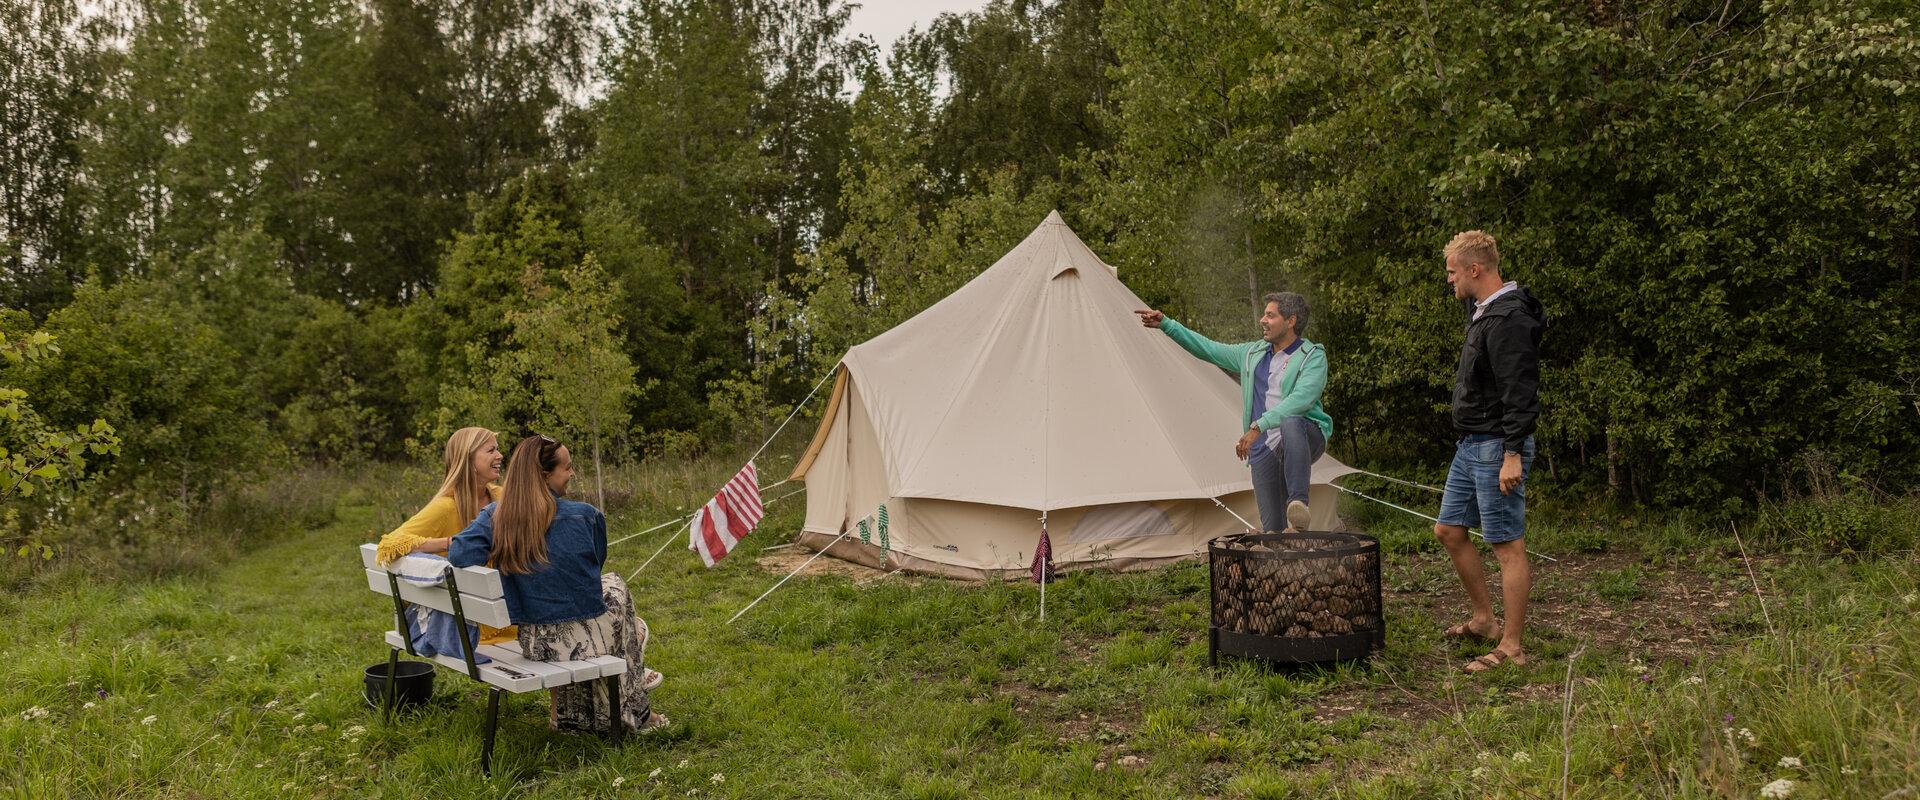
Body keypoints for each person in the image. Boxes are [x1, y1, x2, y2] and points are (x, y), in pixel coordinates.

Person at [449, 434, 667, 733]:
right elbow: (593, 568)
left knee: (615, 609)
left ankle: (575, 717)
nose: (573, 473)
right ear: (545, 475)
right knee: (619, 596)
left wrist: (505, 543)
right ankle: (638, 713)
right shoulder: (585, 516)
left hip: (534, 643)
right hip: (581, 641)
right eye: (567, 467)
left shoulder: (496, 516)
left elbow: (459, 552)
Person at [1432, 230, 1547, 673]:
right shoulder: (1484, 311)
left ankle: (1513, 647)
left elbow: (1520, 391)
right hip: (1470, 445)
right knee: (1449, 530)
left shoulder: (1508, 320)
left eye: (1453, 272)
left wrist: (1513, 453)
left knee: (1506, 546)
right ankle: (1484, 619)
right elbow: (1472, 293)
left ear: (1475, 270)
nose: (1449, 280)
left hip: (1497, 446)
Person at [1135, 293, 1333, 533]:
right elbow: (1208, 349)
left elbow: (1301, 399)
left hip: (1304, 435)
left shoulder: (1312, 356)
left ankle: (1298, 504)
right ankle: (1287, 559)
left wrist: (1257, 426)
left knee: (1291, 421)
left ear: (1291, 321)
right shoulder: (1251, 354)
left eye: (1270, 315)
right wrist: (1167, 325)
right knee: (1272, 532)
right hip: (1263, 449)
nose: (1262, 320)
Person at [375, 426, 515, 646]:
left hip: (498, 613)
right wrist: (450, 543)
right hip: (478, 625)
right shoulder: (446, 507)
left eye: (497, 450)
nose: (500, 455)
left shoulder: (501, 496)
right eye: (491, 451)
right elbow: (388, 544)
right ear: (468, 460)